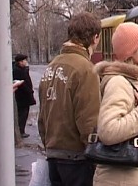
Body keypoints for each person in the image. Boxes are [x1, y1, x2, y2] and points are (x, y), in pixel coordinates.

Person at [38, 12, 101, 186]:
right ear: (95, 38)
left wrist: (48, 145)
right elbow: (89, 121)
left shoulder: (51, 67)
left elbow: (42, 116)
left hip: (53, 154)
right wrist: (96, 157)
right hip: (77, 159)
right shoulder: (86, 69)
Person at [93, 22, 138, 186]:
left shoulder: (132, 81)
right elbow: (108, 130)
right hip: (120, 180)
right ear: (131, 53)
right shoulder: (119, 83)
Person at [13, 54, 36, 138]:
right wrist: (29, 91)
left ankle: (21, 130)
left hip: (24, 95)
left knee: (23, 113)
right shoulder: (18, 71)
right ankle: (21, 131)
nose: (26, 62)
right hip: (22, 96)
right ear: (20, 62)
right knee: (22, 114)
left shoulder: (22, 69)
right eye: (24, 60)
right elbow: (23, 83)